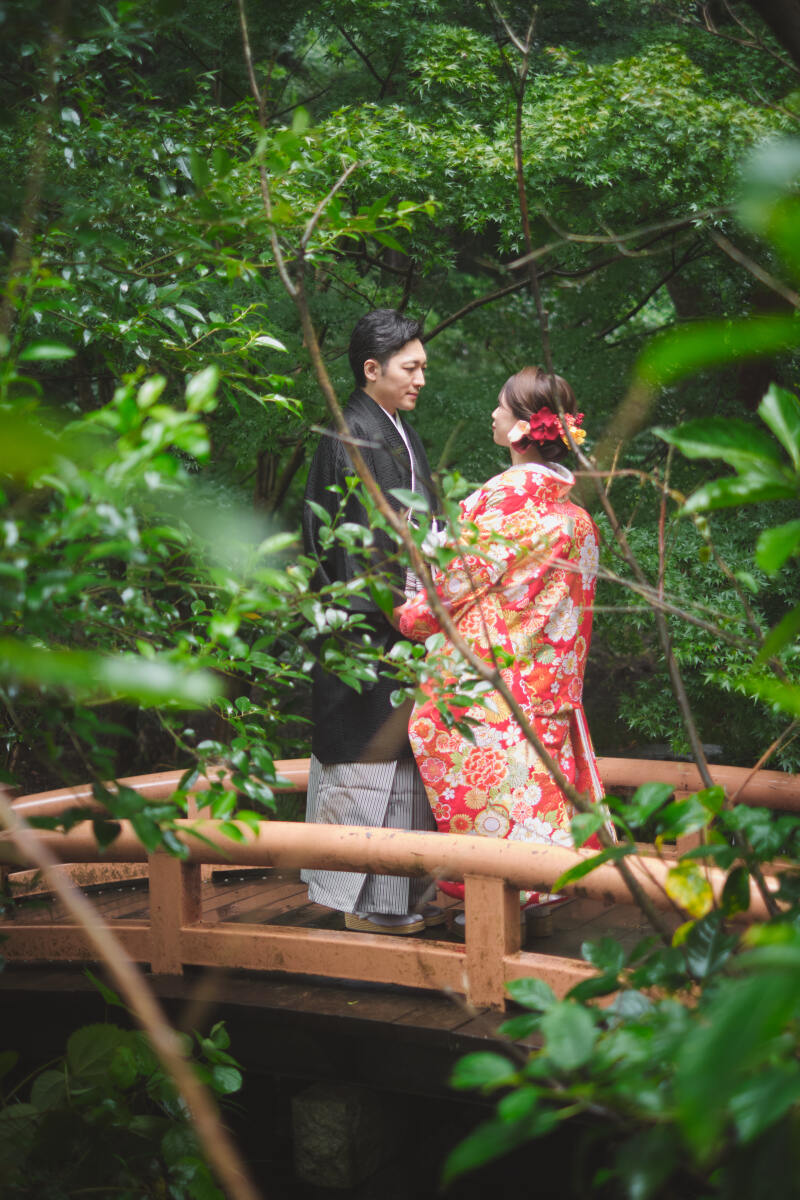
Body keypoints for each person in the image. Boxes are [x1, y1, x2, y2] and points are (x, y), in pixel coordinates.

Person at [396, 366, 607, 919]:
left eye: (501, 407)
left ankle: (495, 921)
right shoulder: (579, 520)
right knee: (540, 805)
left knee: (496, 815)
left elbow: (451, 589)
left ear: (519, 429)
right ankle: (535, 905)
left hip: (491, 695)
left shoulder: (503, 503)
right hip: (550, 691)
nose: (492, 414)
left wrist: (408, 609)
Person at [301, 309, 443, 935]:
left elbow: (424, 526)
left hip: (403, 621)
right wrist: (404, 611)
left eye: (422, 367)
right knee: (367, 759)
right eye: (410, 368)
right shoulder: (352, 434)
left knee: (402, 762)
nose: (420, 379)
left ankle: (399, 898)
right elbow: (359, 548)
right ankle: (364, 903)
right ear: (371, 369)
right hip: (368, 629)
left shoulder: (398, 433)